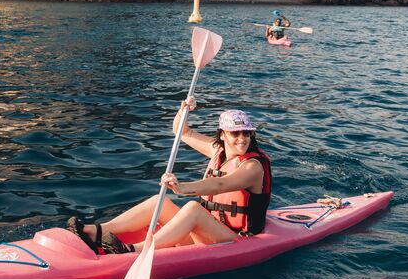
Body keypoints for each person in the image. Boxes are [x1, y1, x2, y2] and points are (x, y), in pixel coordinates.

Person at [67, 99, 271, 255]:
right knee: (159, 201)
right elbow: (182, 131)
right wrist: (184, 110)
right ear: (223, 135)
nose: (242, 138)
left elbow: (219, 184)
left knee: (192, 208)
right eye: (235, 134)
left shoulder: (253, 167)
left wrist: (182, 188)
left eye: (246, 133)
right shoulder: (218, 151)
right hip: (209, 232)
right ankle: (96, 232)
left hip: (237, 240)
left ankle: (135, 250)